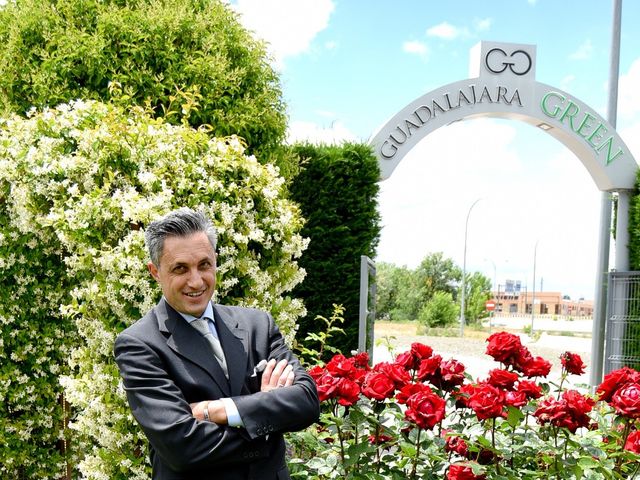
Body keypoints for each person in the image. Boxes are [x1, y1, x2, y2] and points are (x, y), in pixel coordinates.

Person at [114, 207, 320, 479]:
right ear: (155, 271)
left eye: (204, 265)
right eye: (180, 268)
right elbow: (182, 447)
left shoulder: (258, 326)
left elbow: (306, 401)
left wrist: (216, 411)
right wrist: (267, 421)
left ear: (215, 261)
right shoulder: (139, 344)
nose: (196, 280)